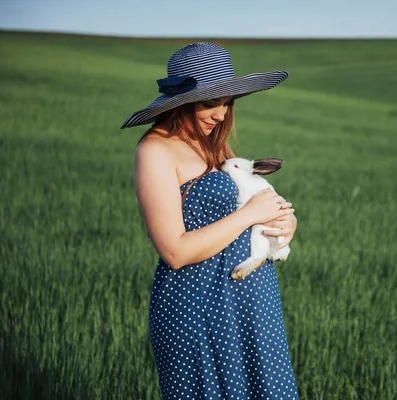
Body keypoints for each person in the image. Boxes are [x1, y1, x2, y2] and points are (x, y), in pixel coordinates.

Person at [121, 42, 300, 399]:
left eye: (226, 102)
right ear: (181, 102)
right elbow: (175, 251)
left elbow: (253, 200)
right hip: (197, 303)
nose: (220, 114)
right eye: (209, 102)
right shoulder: (154, 151)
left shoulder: (215, 146)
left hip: (252, 299)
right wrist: (251, 215)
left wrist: (284, 223)